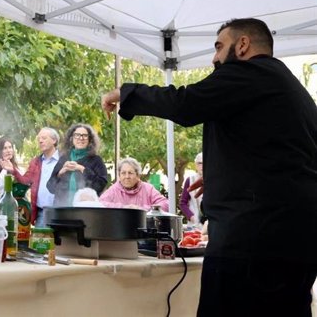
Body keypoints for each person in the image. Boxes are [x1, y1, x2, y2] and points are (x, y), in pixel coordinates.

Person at [101, 18, 317, 317]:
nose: (215, 58)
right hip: (296, 238)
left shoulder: (249, 73)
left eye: (219, 47)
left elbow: (186, 103)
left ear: (242, 45)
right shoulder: (291, 88)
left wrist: (128, 94)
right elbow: (282, 157)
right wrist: (221, 176)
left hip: (253, 239)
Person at [2, 127, 60, 227]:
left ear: (54, 140)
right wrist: (13, 170)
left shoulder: (64, 159)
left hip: (62, 213)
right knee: (41, 241)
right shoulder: (36, 162)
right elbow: (25, 181)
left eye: (44, 138)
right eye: (39, 139)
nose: (40, 141)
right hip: (43, 213)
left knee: (62, 242)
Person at [46, 123, 108, 207]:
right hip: (62, 208)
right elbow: (50, 187)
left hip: (85, 210)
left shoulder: (96, 160)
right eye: (77, 135)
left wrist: (82, 169)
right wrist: (60, 172)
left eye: (85, 135)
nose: (81, 138)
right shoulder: (64, 158)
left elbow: (100, 186)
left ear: (90, 139)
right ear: (72, 138)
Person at [99, 157, 169, 211]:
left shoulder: (148, 189)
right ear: (119, 175)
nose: (127, 177)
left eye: (130, 173)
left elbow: (165, 204)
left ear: (138, 175)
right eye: (123, 173)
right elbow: (100, 204)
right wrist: (123, 208)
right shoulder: (113, 190)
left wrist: (141, 209)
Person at [180, 152, 204, 225]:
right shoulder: (190, 180)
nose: (202, 166)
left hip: (212, 223)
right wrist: (191, 216)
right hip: (194, 224)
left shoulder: (216, 180)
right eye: (200, 163)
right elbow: (183, 202)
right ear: (196, 165)